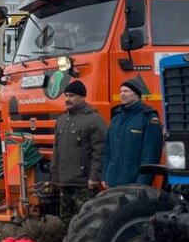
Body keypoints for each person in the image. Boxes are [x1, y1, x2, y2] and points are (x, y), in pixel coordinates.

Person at [48, 79, 106, 219]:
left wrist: (94, 177)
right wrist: (54, 178)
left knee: (86, 221)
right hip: (64, 182)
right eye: (66, 95)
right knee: (66, 220)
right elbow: (56, 151)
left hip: (84, 184)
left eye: (72, 96)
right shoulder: (61, 121)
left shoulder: (94, 120)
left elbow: (100, 151)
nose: (68, 99)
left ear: (82, 97)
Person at [101, 77, 162, 188]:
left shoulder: (148, 118)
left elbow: (150, 156)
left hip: (133, 184)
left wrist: (141, 184)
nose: (122, 94)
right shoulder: (116, 117)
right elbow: (107, 150)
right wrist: (105, 175)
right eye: (121, 91)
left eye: (126, 91)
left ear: (137, 94)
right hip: (112, 182)